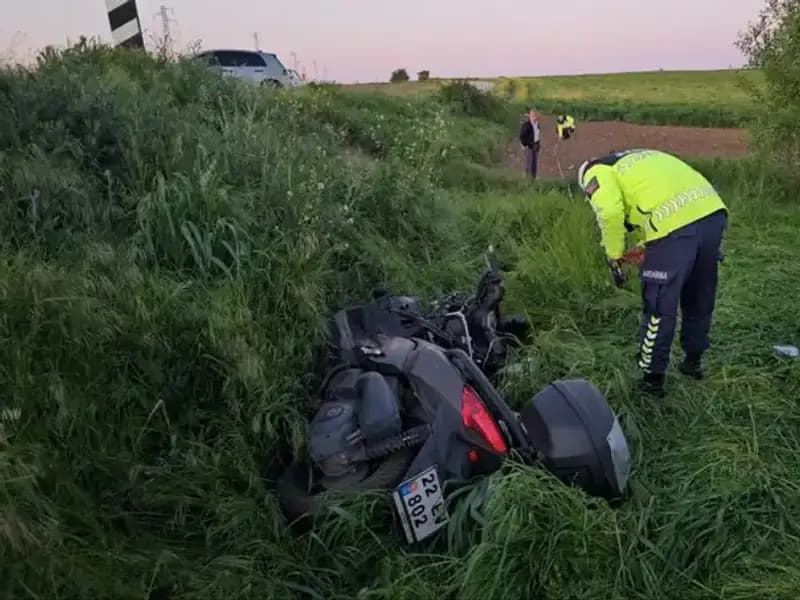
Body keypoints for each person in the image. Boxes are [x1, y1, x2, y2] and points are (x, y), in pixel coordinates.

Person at [576, 149, 728, 397]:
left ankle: (652, 381)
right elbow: (659, 197)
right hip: (712, 212)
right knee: (699, 293)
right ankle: (693, 361)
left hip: (676, 225)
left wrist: (614, 255)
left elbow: (610, 212)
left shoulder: (595, 172)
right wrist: (649, 246)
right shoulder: (636, 159)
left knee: (658, 304)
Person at [519, 107, 541, 178]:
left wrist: (538, 144)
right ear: (530, 116)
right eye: (533, 116)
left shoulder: (537, 124)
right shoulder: (527, 125)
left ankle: (533, 179)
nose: (534, 117)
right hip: (528, 146)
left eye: (535, 116)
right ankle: (527, 180)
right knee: (529, 164)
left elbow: (537, 135)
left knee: (534, 164)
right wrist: (525, 145)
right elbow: (522, 136)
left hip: (535, 145)